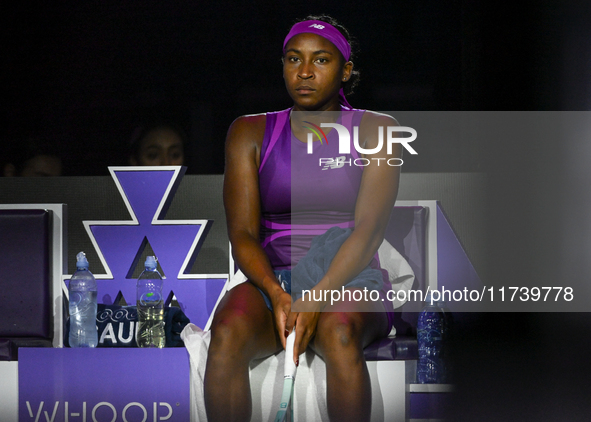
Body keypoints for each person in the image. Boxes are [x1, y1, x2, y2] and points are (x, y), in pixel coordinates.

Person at [205, 15, 403, 422]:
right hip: (272, 278)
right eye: (294, 59)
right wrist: (277, 292)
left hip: (349, 278)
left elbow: (368, 233)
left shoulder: (378, 130)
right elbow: (241, 233)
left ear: (346, 70)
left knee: (340, 332)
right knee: (225, 333)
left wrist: (318, 293)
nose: (305, 72)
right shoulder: (250, 132)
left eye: (321, 60)